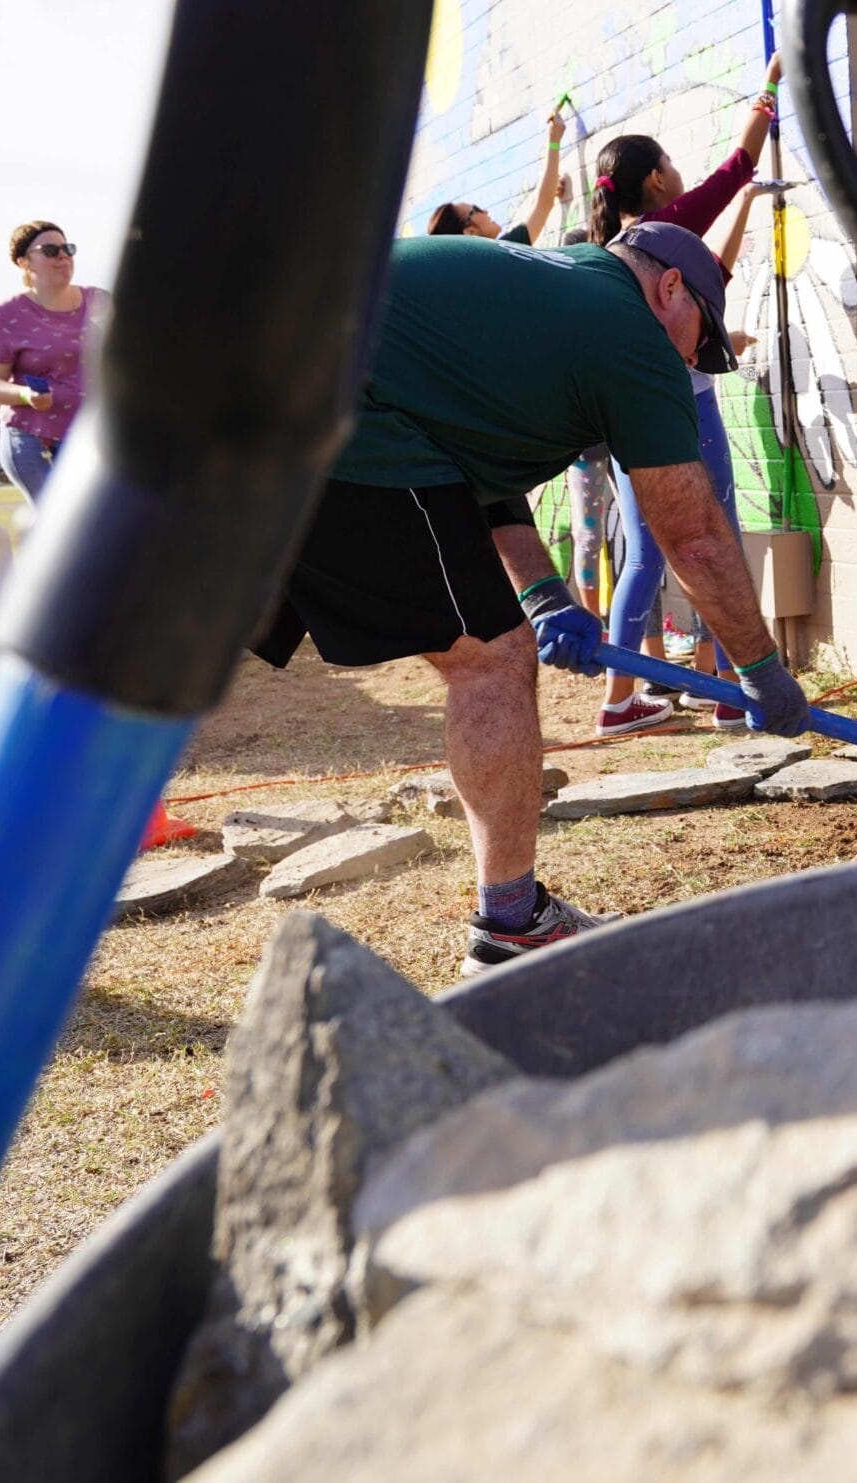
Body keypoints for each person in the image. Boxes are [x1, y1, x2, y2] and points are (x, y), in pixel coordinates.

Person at [257, 221, 807, 973]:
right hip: (342, 429)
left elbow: (467, 456)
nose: (689, 361)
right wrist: (761, 671)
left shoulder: (554, 288)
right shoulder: (628, 335)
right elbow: (697, 538)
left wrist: (544, 592)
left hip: (272, 403)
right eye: (697, 340)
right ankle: (510, 923)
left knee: (184, 635)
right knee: (492, 662)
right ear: (669, 287)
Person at [584, 56, 783, 735]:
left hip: (623, 423)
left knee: (644, 553)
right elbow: (736, 167)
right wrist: (770, 85)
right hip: (684, 410)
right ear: (654, 181)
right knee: (715, 536)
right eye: (669, 161)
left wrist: (750, 207)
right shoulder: (663, 229)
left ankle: (620, 699)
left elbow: (714, 269)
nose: (678, 169)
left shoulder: (608, 247)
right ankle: (734, 691)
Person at [0, 221, 106, 502]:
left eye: (67, 249)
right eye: (50, 250)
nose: (62, 256)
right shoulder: (4, 316)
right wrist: (24, 394)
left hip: (91, 438)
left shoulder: (99, 301)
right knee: (62, 528)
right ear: (24, 263)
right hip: (33, 438)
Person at [426, 105, 568, 244]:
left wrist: (549, 185)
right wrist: (554, 139)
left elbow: (540, 204)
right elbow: (543, 204)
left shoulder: (482, 264)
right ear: (470, 232)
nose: (486, 212)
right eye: (476, 209)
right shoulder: (501, 255)